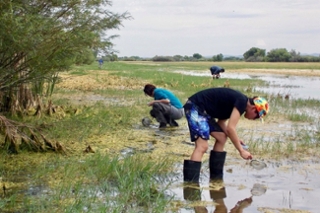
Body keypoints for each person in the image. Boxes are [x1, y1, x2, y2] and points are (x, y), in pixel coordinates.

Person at [183, 87, 269, 182]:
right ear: (253, 108)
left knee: (222, 138)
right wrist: (241, 151)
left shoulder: (239, 103)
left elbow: (221, 123)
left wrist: (237, 139)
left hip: (204, 112)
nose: (254, 119)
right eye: (256, 117)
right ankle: (191, 184)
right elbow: (230, 128)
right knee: (202, 146)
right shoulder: (242, 102)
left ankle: (216, 177)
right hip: (195, 107)